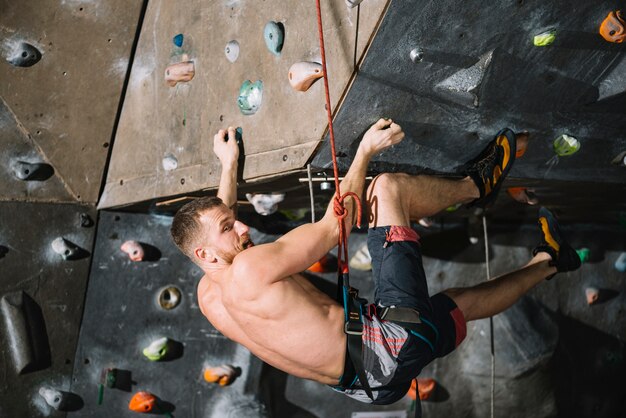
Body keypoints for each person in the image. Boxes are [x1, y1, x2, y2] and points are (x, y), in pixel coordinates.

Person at [170, 120, 581, 405]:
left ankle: (550, 261)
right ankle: (477, 185)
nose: (243, 228)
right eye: (231, 227)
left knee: (457, 305)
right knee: (386, 189)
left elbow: (212, 228)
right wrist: (365, 150)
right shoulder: (248, 267)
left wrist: (228, 165)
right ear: (205, 253)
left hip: (369, 387)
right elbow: (337, 225)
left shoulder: (209, 294)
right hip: (387, 345)